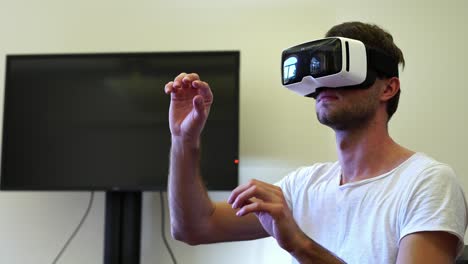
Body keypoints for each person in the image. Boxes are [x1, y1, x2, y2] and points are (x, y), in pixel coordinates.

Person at [164, 21, 468, 264]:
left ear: (388, 88)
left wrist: (299, 244)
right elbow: (193, 227)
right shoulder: (305, 185)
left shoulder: (427, 183)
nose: (324, 83)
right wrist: (183, 139)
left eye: (340, 69)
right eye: (320, 71)